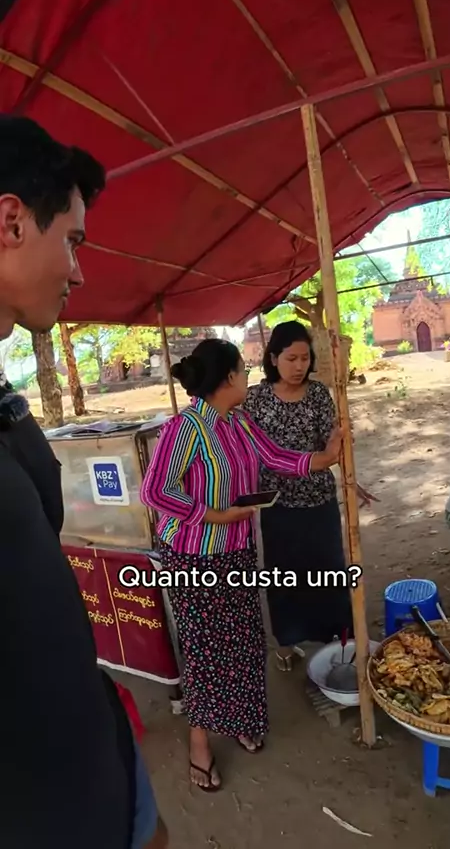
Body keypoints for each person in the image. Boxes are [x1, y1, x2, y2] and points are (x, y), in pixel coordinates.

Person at [0, 116, 166, 849]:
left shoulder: (6, 404)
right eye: (72, 241)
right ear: (11, 222)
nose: (79, 272)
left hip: (98, 762)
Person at [140, 337, 343, 791]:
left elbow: (275, 458)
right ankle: (199, 743)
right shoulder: (184, 429)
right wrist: (214, 515)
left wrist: (324, 458)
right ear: (228, 377)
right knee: (206, 649)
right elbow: (155, 491)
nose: (249, 377)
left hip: (237, 549)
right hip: (193, 556)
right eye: (243, 371)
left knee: (245, 641)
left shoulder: (239, 421)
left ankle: (241, 720)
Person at [244, 321, 366, 671]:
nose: (299, 366)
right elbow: (249, 450)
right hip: (277, 505)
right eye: (291, 358)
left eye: (304, 358)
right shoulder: (255, 398)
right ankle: (287, 642)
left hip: (318, 501)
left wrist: (351, 478)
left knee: (329, 571)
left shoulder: (318, 394)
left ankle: (338, 639)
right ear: (273, 359)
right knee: (284, 576)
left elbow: (333, 444)